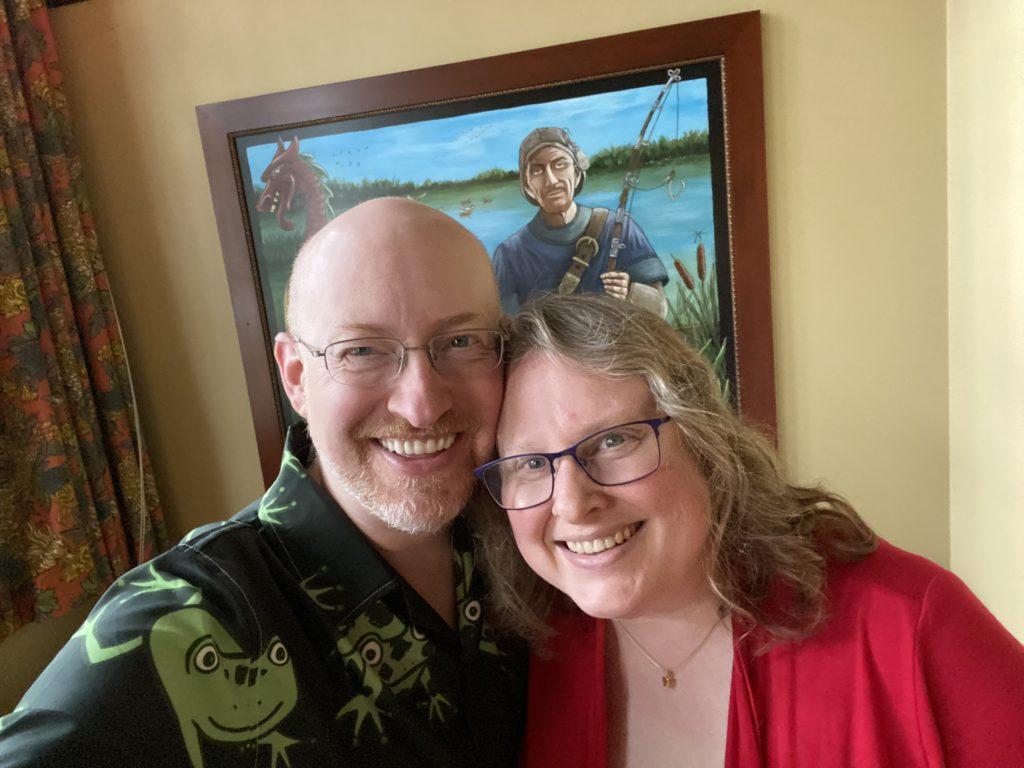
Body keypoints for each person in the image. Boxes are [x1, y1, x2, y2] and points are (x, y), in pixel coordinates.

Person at [0, 199, 527, 768]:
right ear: (297, 377)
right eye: (363, 351)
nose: (421, 405)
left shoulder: (542, 537)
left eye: (460, 342)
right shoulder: (189, 619)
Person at [470, 293, 1024, 767]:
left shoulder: (905, 624)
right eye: (530, 463)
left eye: (614, 440)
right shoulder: (526, 659)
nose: (571, 501)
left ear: (702, 441)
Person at [491, 127, 669, 317]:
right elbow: (505, 327)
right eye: (537, 170)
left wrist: (630, 292)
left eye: (560, 165)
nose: (551, 180)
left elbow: (660, 310)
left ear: (576, 174)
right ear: (527, 185)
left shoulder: (619, 228)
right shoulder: (509, 254)